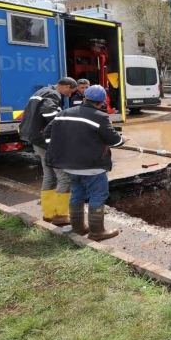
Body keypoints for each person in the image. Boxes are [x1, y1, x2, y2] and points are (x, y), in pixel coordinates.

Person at [43, 85, 129, 240]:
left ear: (84, 99)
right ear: (102, 102)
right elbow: (114, 141)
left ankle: (78, 228)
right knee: (98, 195)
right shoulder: (99, 117)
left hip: (70, 166)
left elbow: (48, 134)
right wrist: (123, 139)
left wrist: (63, 149)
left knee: (77, 193)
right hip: (92, 167)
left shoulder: (64, 113)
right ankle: (97, 232)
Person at [19, 77, 77, 225]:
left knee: (49, 176)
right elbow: (50, 115)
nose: (70, 95)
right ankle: (61, 215)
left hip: (35, 139)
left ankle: (49, 213)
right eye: (71, 91)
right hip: (45, 141)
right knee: (65, 177)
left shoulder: (42, 91)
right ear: (66, 87)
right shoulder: (53, 94)